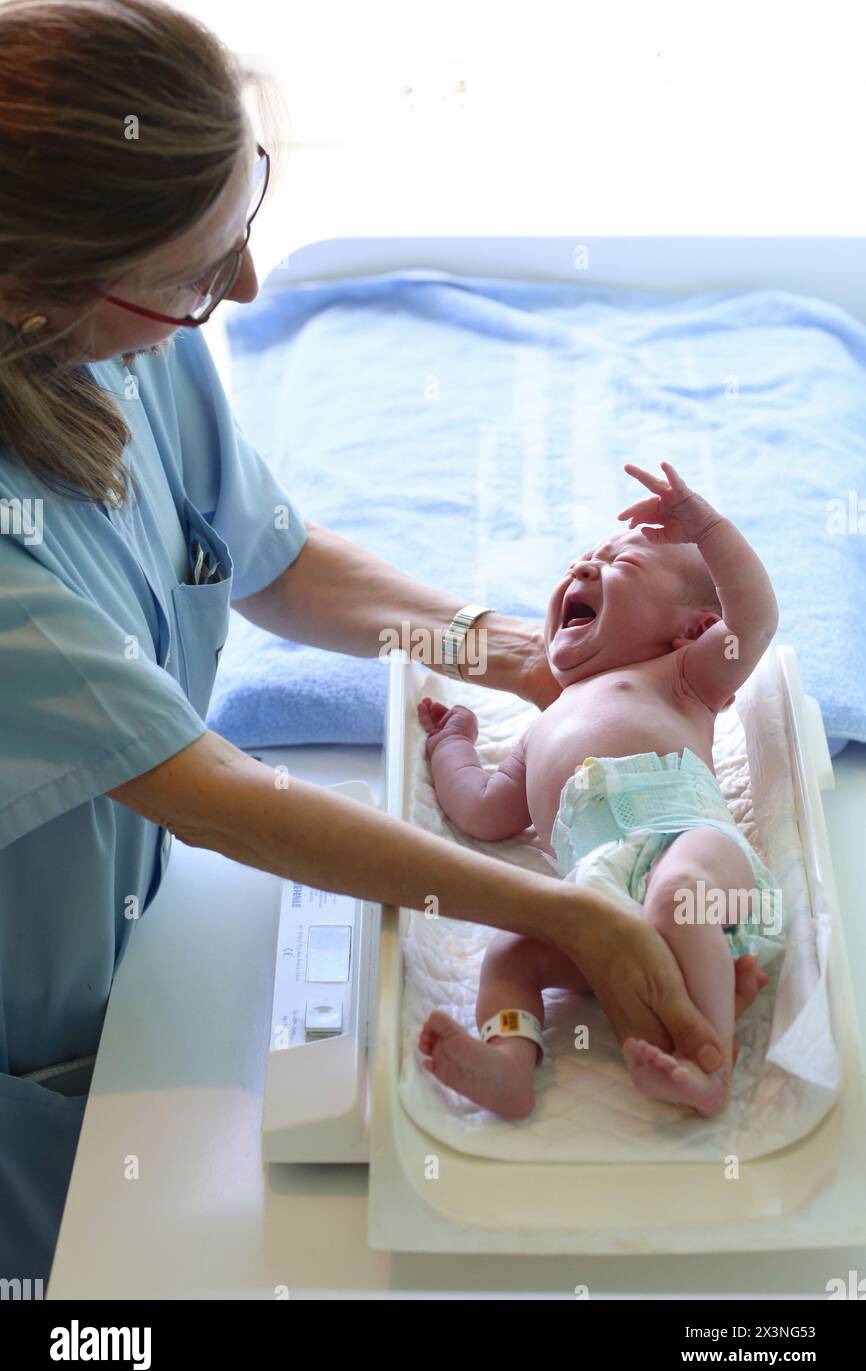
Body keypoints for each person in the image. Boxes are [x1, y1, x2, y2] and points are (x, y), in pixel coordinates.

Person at [0, 0, 754, 1284]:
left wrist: (511, 654)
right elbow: (215, 793)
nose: (238, 288)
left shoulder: (119, 348)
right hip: (49, 1031)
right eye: (196, 274)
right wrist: (567, 913)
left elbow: (277, 561)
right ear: (33, 294)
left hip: (162, 946)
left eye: (242, 222)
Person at [418, 462, 776, 1119]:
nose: (583, 570)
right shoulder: (543, 728)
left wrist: (707, 529)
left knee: (679, 894)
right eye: (580, 563)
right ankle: (509, 1065)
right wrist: (452, 745)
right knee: (511, 950)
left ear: (692, 628)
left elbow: (754, 622)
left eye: (621, 564)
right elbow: (481, 811)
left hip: (689, 842)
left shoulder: (685, 674)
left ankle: (707, 1066)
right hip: (594, 905)